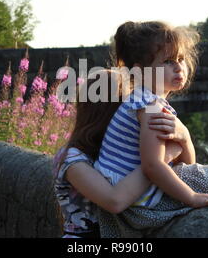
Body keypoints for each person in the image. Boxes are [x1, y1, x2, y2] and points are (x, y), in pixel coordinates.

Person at [94, 21, 208, 237]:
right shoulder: (151, 107)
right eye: (167, 61)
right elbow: (152, 166)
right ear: (140, 72)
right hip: (142, 205)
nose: (178, 67)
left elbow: (186, 163)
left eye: (181, 59)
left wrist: (184, 138)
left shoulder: (140, 100)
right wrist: (191, 197)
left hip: (134, 201)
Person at [52, 69, 190, 238]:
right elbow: (115, 201)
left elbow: (186, 170)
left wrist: (185, 138)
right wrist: (159, 160)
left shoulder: (112, 151)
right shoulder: (71, 158)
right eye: (125, 104)